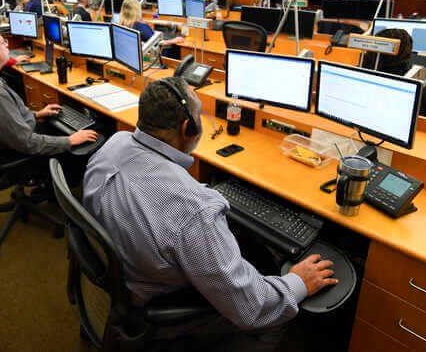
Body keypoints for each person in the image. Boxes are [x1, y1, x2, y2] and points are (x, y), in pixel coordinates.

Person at [84, 77, 337, 350]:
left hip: (125, 268)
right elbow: (252, 307)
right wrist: (297, 282)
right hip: (161, 295)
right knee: (274, 321)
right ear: (187, 128)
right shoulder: (195, 211)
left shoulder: (114, 144)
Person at [0, 27, 98, 157]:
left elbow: (5, 118)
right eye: (2, 42)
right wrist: (69, 140)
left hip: (7, 137)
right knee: (90, 142)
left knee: (60, 123)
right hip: (16, 149)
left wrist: (36, 114)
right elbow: (27, 143)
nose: (7, 45)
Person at [119, 0, 184, 54]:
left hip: (141, 52)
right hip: (157, 52)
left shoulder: (123, 24)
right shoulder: (141, 27)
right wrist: (175, 40)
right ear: (137, 9)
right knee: (178, 46)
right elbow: (157, 44)